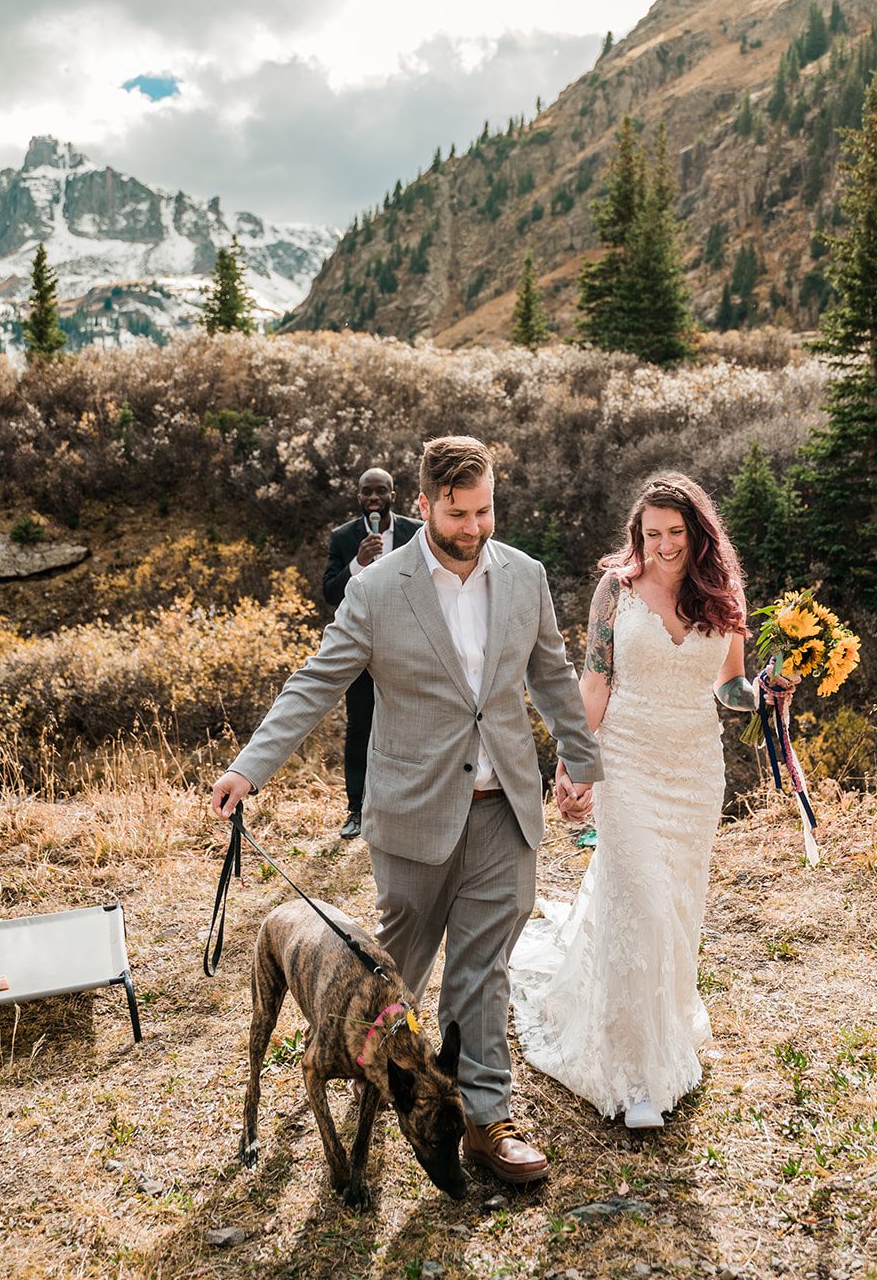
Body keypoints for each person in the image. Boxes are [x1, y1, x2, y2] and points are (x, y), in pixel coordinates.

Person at [212, 435, 602, 1183]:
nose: (474, 528)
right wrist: (249, 767)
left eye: (485, 510)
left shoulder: (525, 576)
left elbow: (551, 673)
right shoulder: (378, 588)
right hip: (413, 812)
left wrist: (582, 763)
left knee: (482, 971)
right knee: (398, 968)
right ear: (424, 506)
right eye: (458, 514)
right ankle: (369, 1080)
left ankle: (488, 1119)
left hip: (505, 808)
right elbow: (317, 681)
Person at [509, 471, 788, 1130]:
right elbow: (597, 678)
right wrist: (576, 763)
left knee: (674, 908)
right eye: (650, 533)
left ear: (698, 533)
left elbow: (730, 691)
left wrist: (772, 688)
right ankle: (635, 1076)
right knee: (640, 901)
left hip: (694, 772)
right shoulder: (616, 590)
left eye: (673, 533)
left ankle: (663, 1025)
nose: (661, 546)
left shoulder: (724, 597)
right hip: (627, 764)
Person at [323, 466, 421, 840]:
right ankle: (356, 810)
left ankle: (405, 808)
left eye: (381, 491)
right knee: (360, 727)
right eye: (367, 492)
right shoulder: (344, 537)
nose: (374, 499)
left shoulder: (417, 532)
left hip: (409, 644)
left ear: (394, 494)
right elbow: (331, 592)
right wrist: (357, 563)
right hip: (361, 647)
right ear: (358, 496)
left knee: (411, 726)